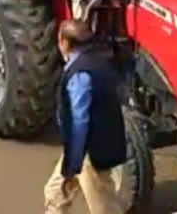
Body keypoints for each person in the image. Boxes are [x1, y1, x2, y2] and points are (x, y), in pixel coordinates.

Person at [44, 21, 126, 214]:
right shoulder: (103, 64)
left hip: (89, 152)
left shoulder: (79, 74)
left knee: (104, 208)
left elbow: (80, 122)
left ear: (64, 42)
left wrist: (73, 165)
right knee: (54, 194)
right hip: (92, 146)